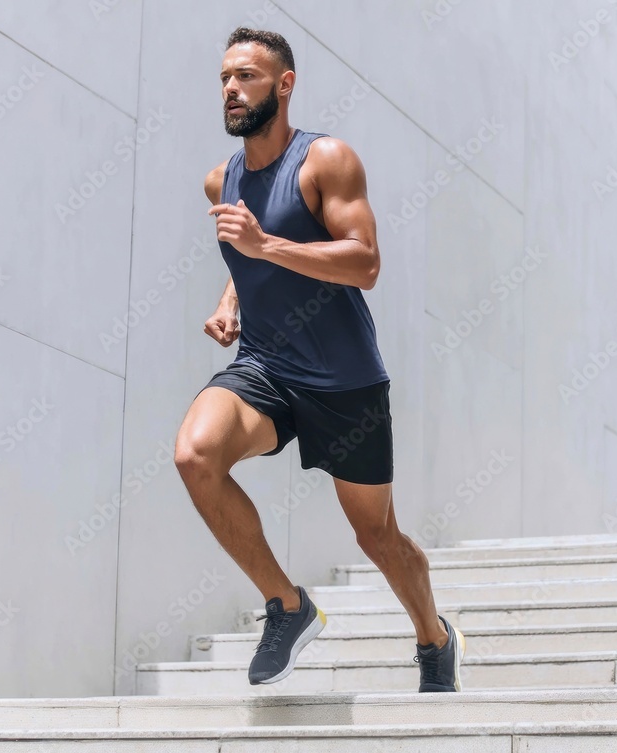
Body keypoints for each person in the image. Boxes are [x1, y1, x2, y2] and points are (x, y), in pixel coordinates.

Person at [173, 26, 465, 692]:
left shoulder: (327, 160)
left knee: (377, 535)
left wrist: (264, 244)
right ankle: (287, 603)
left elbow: (364, 262)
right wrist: (231, 300)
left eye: (245, 76)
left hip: (344, 379)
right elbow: (247, 252)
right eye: (223, 77)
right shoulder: (223, 179)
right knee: (195, 454)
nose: (230, 89)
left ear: (284, 84)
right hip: (267, 368)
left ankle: (434, 637)